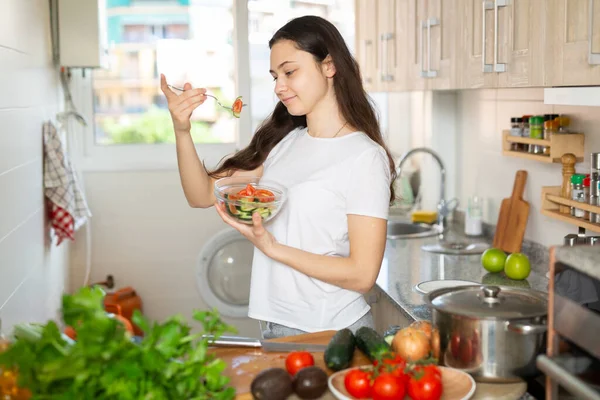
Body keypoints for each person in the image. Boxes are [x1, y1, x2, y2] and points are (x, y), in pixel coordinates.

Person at [160, 15, 397, 339]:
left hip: (331, 332)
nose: (278, 86)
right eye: (274, 76)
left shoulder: (364, 157)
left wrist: (273, 247)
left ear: (329, 66)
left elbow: (362, 275)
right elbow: (201, 195)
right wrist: (182, 130)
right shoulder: (285, 142)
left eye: (289, 72)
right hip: (275, 326)